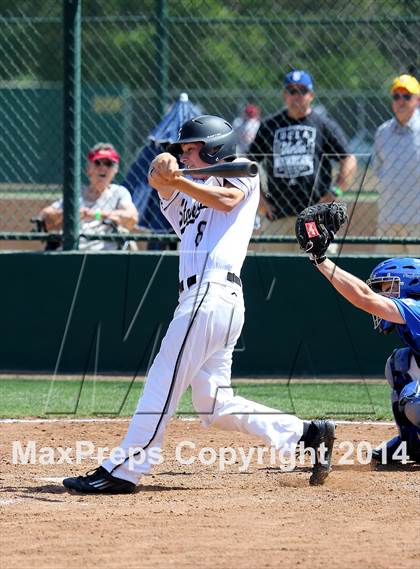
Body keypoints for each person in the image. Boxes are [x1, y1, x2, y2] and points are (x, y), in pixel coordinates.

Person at [62, 115, 335, 494]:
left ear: (214, 148)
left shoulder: (243, 175)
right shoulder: (186, 194)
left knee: (162, 378)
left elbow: (226, 200)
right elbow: (164, 185)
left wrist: (178, 177)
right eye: (183, 151)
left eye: (191, 149)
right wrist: (164, 169)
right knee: (213, 402)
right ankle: (307, 434)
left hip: (212, 294)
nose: (185, 156)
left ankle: (124, 469)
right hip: (203, 301)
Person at [313, 254, 420, 464]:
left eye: (387, 286)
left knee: (414, 397)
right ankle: (410, 445)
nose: (380, 293)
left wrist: (321, 259)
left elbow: (364, 297)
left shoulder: (415, 308)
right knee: (399, 363)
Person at [249, 69, 357, 243]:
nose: (297, 96)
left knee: (319, 264)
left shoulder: (323, 124)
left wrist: (335, 191)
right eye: (292, 91)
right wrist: (259, 199)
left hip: (315, 216)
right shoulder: (270, 125)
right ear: (285, 95)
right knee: (276, 267)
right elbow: (249, 163)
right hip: (278, 214)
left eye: (302, 91)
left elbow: (348, 158)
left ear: (311, 95)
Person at [39, 143, 138, 250]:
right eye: (97, 163)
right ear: (88, 168)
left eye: (108, 164)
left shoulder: (119, 192)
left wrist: (96, 215)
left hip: (105, 252)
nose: (103, 168)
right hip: (71, 250)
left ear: (115, 170)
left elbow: (132, 217)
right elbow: (45, 215)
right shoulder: (76, 192)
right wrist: (72, 215)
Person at [372, 74, 420, 255]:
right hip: (388, 219)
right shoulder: (383, 132)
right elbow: (378, 169)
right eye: (396, 96)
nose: (401, 101)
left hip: (418, 220)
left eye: (406, 96)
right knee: (389, 278)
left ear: (418, 100)